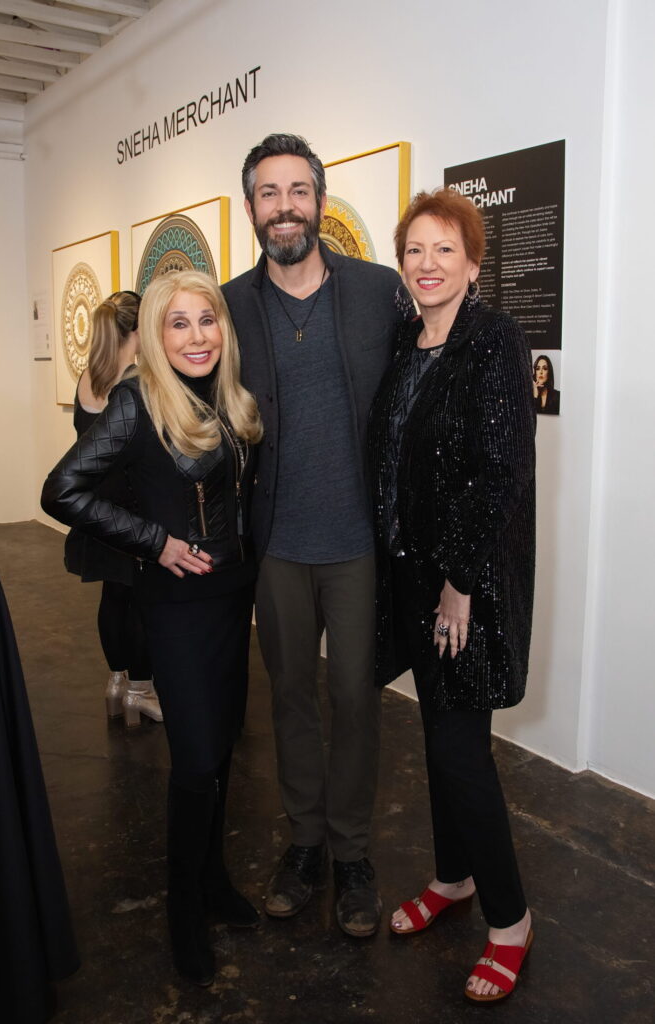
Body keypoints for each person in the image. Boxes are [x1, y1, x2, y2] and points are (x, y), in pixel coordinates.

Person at [42, 270, 264, 987]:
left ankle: (214, 883)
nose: (197, 336)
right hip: (176, 606)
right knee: (195, 761)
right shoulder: (137, 403)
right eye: (180, 323)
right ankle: (181, 914)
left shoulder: (226, 398)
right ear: (156, 335)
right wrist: (154, 542)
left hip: (233, 598)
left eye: (208, 321)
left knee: (221, 749)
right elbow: (63, 489)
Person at [222, 133, 406, 937]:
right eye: (269, 192)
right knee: (291, 697)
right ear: (252, 207)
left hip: (359, 544)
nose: (285, 206)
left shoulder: (376, 291)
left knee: (355, 701)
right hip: (278, 546)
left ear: (320, 203)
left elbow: (413, 398)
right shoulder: (230, 306)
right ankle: (304, 843)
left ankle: (354, 853)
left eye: (299, 190)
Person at [368, 188, 536, 1002]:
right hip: (409, 577)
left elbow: (499, 474)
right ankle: (453, 878)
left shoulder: (495, 341)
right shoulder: (406, 339)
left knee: (460, 751)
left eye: (445, 250)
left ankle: (509, 922)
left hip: (462, 588)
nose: (428, 265)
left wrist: (459, 585)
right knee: (438, 740)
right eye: (415, 251)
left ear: (473, 262)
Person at [64, 290, 161, 726]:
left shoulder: (88, 379)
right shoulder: (135, 384)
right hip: (131, 511)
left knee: (113, 598)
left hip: (95, 510)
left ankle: (116, 683)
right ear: (135, 331)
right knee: (140, 603)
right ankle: (141, 690)